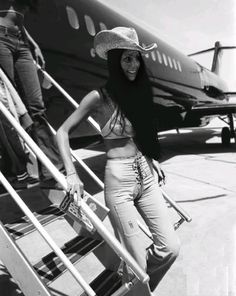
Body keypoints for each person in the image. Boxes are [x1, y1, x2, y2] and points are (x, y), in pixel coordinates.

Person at [56, 27, 180, 295]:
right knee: (137, 264)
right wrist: (72, 174)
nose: (133, 64)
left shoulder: (137, 94)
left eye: (136, 58)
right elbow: (62, 132)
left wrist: (150, 158)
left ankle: (134, 283)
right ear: (115, 61)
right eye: (126, 58)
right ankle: (135, 281)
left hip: (146, 176)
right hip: (119, 181)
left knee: (170, 248)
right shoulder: (98, 97)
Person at [0, 0, 64, 188]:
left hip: (21, 42)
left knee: (37, 106)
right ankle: (18, 170)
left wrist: (33, 44)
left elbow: (18, 19)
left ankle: (53, 172)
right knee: (10, 108)